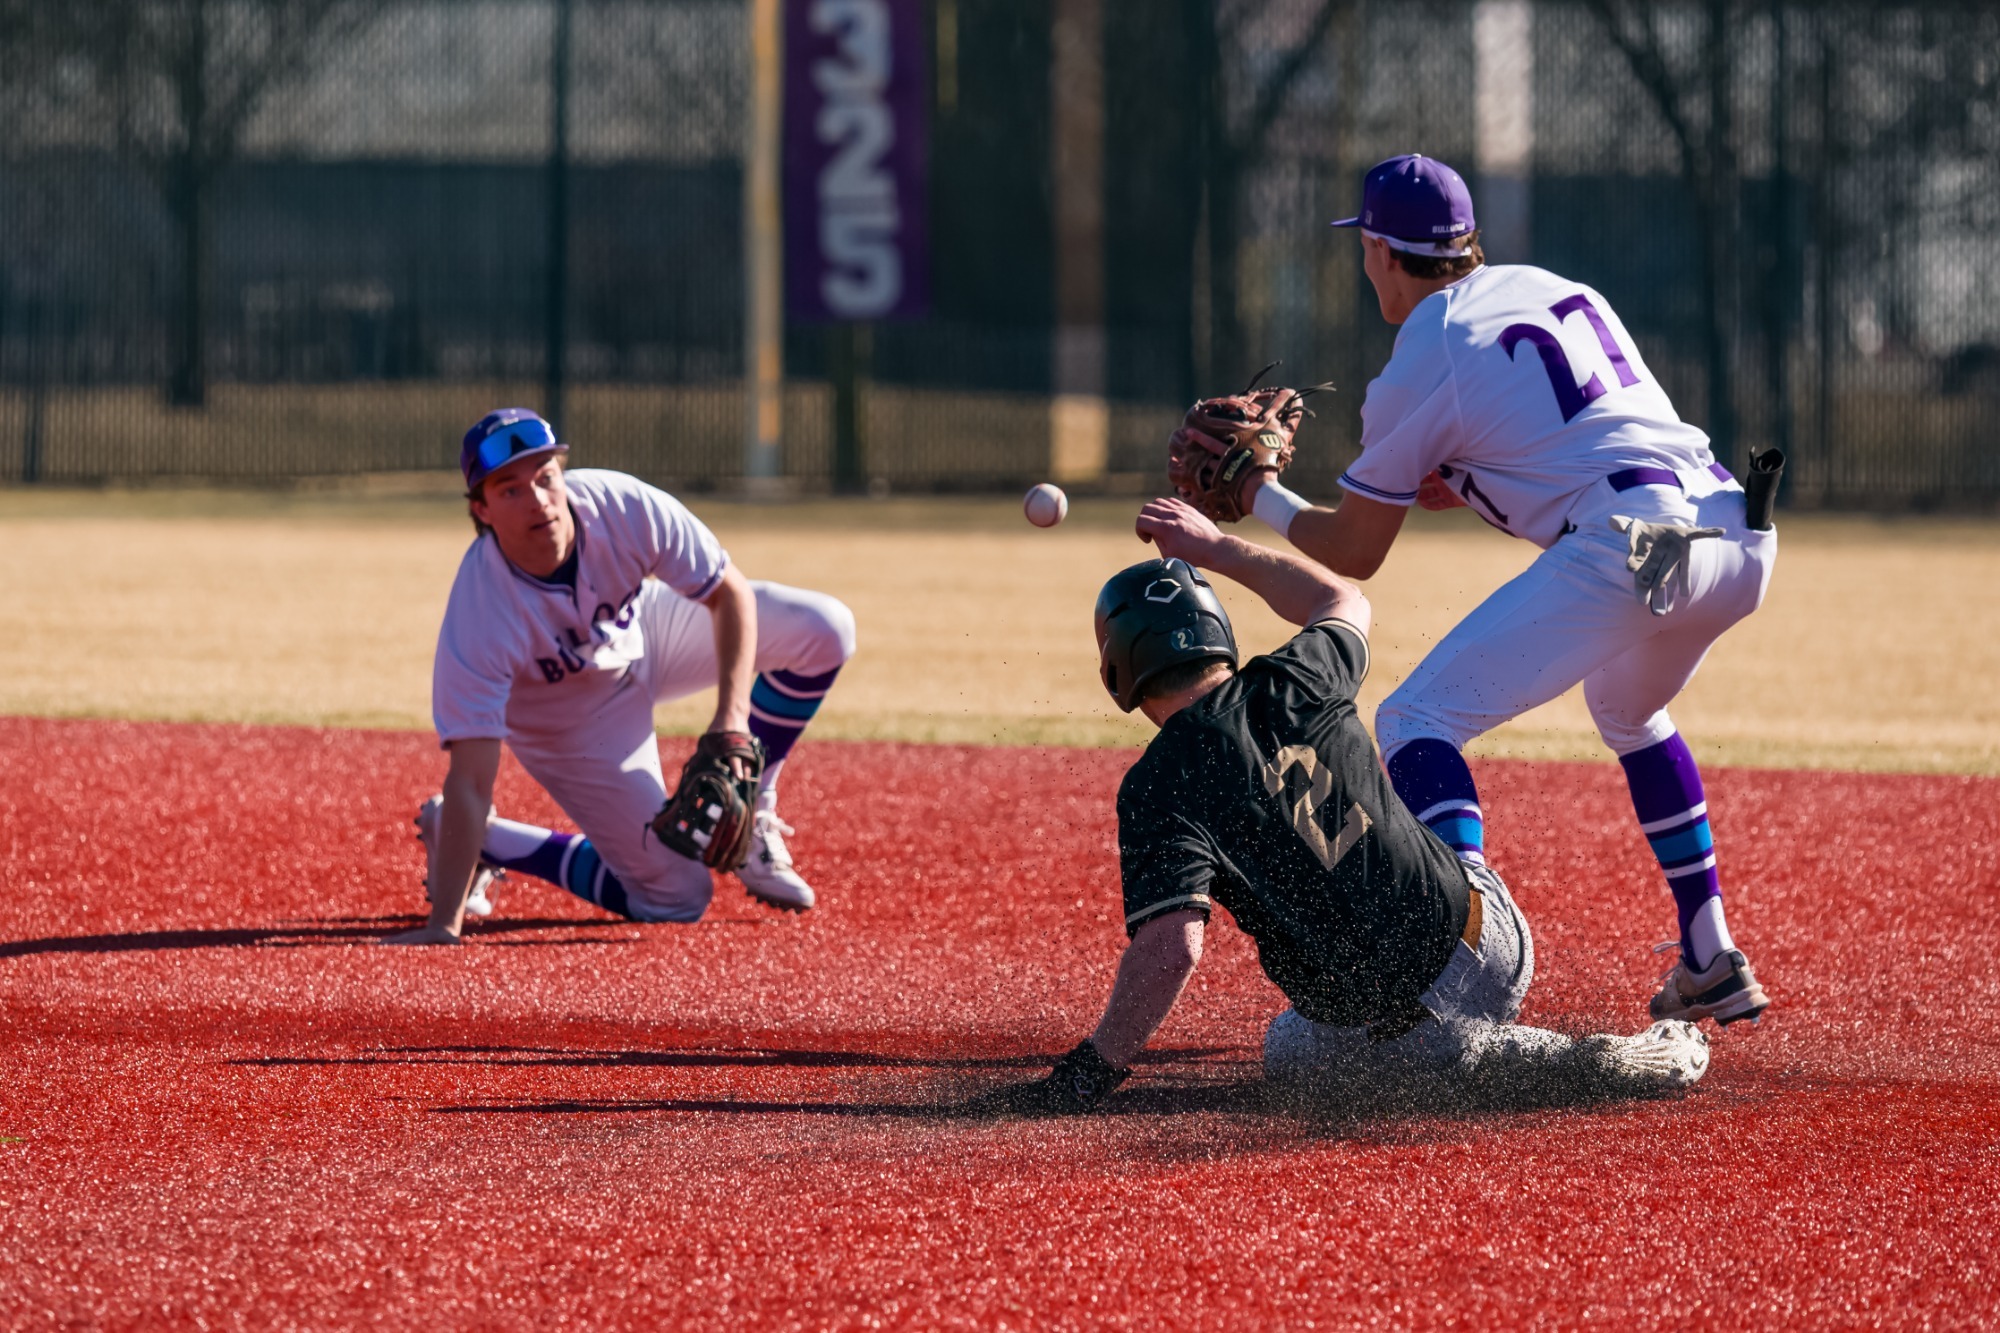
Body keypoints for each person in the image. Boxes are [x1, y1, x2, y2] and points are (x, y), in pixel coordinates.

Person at [1224, 154, 1774, 1025]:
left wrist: (1257, 494)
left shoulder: (1423, 350)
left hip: (1632, 546)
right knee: (1627, 710)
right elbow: (1570, 446)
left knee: (1414, 720)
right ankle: (1709, 953)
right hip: (1733, 533)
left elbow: (1352, 551)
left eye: (1364, 248)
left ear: (1378, 250)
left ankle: (1461, 967)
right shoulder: (1557, 286)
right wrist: (1473, 480)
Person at [1012, 497, 1709, 1114]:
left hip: (1389, 1029)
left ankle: (1521, 1057)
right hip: (1493, 941)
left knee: (1289, 1048)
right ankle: (1498, 1039)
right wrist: (1214, 547)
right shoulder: (1297, 674)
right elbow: (1344, 600)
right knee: (1422, 792)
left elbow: (1172, 950)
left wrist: (1095, 1067)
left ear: (1120, 672)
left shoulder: (1159, 784)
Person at [384, 408, 855, 945]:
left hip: (646, 630)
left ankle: (755, 813)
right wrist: (444, 925)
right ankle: (490, 840)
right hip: (568, 716)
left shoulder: (621, 506)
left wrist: (733, 722)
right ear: (481, 510)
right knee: (678, 897)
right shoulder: (481, 615)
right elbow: (470, 779)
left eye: (544, 478)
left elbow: (729, 595)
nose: (538, 499)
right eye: (510, 490)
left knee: (826, 630)